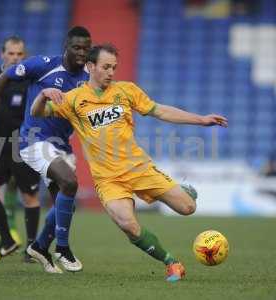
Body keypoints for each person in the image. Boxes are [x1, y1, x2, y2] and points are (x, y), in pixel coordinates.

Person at [30, 44, 228, 281]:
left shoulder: (126, 90)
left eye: (114, 67)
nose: (111, 72)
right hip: (108, 179)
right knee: (127, 224)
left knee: (188, 208)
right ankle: (171, 263)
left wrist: (201, 120)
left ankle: (182, 191)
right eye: (106, 67)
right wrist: (42, 95)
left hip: (139, 168)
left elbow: (160, 111)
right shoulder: (73, 99)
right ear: (91, 67)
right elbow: (37, 112)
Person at [0, 26, 92, 273]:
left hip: (61, 144)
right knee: (69, 183)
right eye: (77, 47)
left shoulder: (87, 78)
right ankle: (62, 248)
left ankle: (39, 247)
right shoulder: (43, 64)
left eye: (86, 48)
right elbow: (5, 76)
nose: (82, 53)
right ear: (66, 48)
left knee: (66, 201)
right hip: (33, 140)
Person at [0, 36, 41, 259]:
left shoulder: (30, 79)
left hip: (23, 143)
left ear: (25, 56)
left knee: (29, 196)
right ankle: (7, 239)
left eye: (20, 54)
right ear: (2, 54)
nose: (15, 58)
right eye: (11, 53)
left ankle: (32, 247)